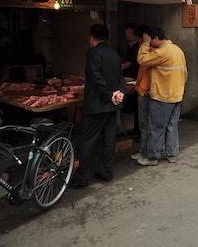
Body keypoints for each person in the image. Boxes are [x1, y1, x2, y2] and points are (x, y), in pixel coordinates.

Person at [70, 24, 126, 188]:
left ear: (92, 37)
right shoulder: (114, 54)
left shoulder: (93, 52)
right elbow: (120, 78)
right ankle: (106, 172)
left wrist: (109, 95)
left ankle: (82, 178)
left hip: (97, 105)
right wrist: (119, 93)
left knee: (87, 140)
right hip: (112, 105)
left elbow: (95, 76)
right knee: (109, 139)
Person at [136, 27, 188, 166]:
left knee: (156, 128)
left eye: (151, 39)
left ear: (156, 38)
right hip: (177, 95)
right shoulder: (177, 50)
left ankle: (153, 157)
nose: (150, 42)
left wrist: (145, 44)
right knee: (172, 126)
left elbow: (142, 60)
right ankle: (171, 154)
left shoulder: (163, 51)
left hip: (163, 96)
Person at [130, 25, 153, 162]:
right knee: (145, 124)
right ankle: (146, 151)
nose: (138, 44)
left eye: (140, 40)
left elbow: (142, 61)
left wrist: (145, 44)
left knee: (146, 125)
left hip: (146, 92)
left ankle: (147, 152)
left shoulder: (149, 52)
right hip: (144, 90)